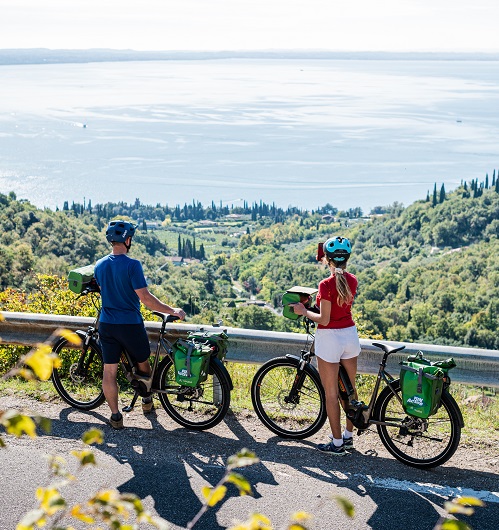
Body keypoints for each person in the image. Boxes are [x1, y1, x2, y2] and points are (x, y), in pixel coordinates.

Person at [94, 220, 186, 429]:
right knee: (143, 363)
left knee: (109, 371)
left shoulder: (99, 265)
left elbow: (102, 288)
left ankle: (115, 416)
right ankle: (146, 400)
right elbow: (145, 298)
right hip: (130, 325)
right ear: (127, 240)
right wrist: (172, 310)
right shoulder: (132, 265)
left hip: (107, 325)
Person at [291, 236, 360, 455]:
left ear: (328, 260)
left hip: (330, 339)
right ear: (346, 259)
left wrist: (304, 311)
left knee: (332, 394)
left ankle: (337, 444)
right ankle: (348, 438)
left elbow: (324, 319)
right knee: (351, 391)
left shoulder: (325, 284)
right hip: (350, 335)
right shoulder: (353, 280)